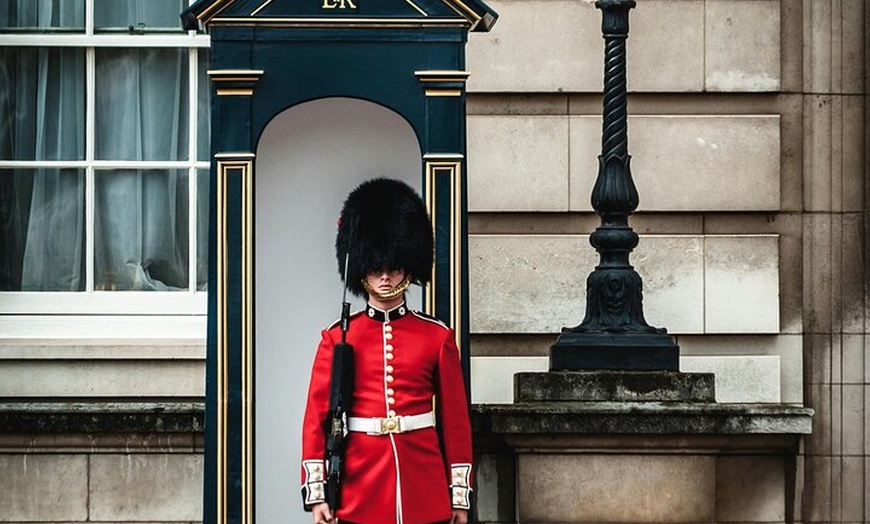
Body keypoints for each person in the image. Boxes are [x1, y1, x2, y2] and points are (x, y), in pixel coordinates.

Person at [300, 178, 473, 524]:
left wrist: (459, 495)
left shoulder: (436, 338)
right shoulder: (338, 338)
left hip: (421, 483)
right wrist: (318, 492)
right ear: (363, 272)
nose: (385, 279)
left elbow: (455, 423)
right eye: (376, 270)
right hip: (359, 485)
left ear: (407, 270)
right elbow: (316, 420)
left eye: (393, 269)